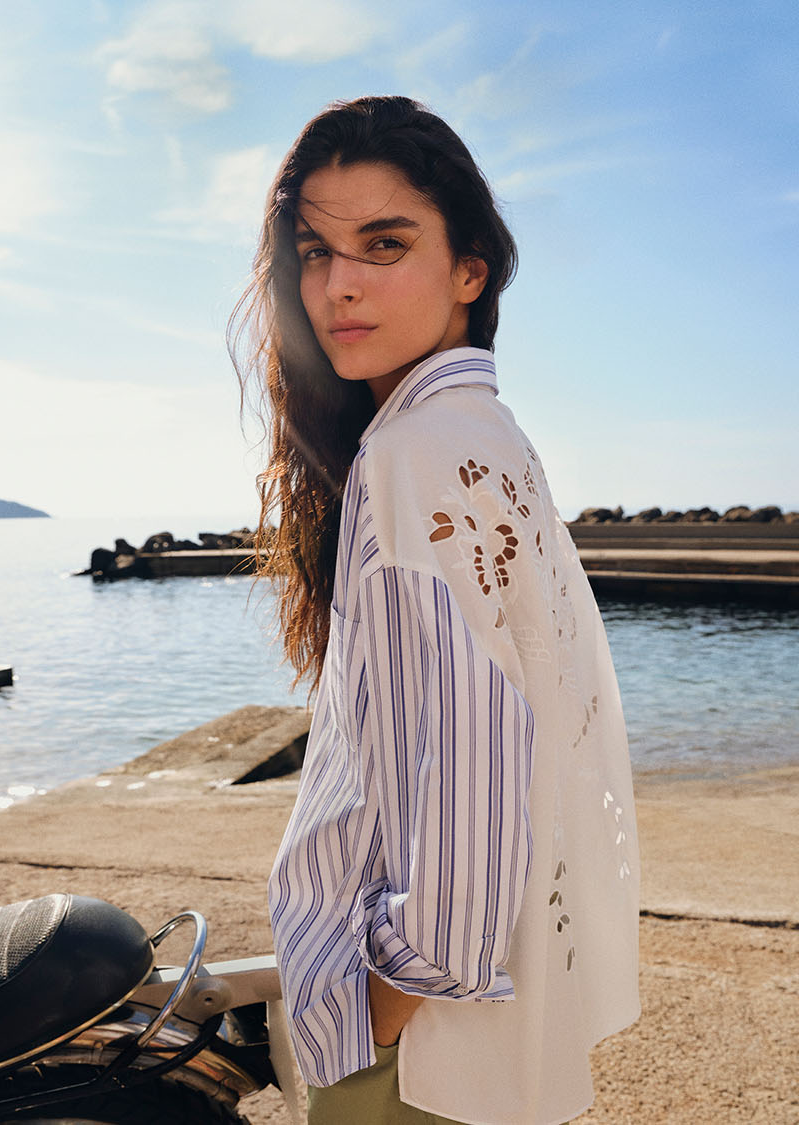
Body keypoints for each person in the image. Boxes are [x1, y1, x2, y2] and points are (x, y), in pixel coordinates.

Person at [233, 96, 639, 1124]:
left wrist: (373, 1013)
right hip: (486, 1028)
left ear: (470, 270)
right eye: (313, 252)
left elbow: (476, 768)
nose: (338, 283)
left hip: (423, 1056)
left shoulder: (418, 454)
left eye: (384, 243)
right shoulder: (482, 435)